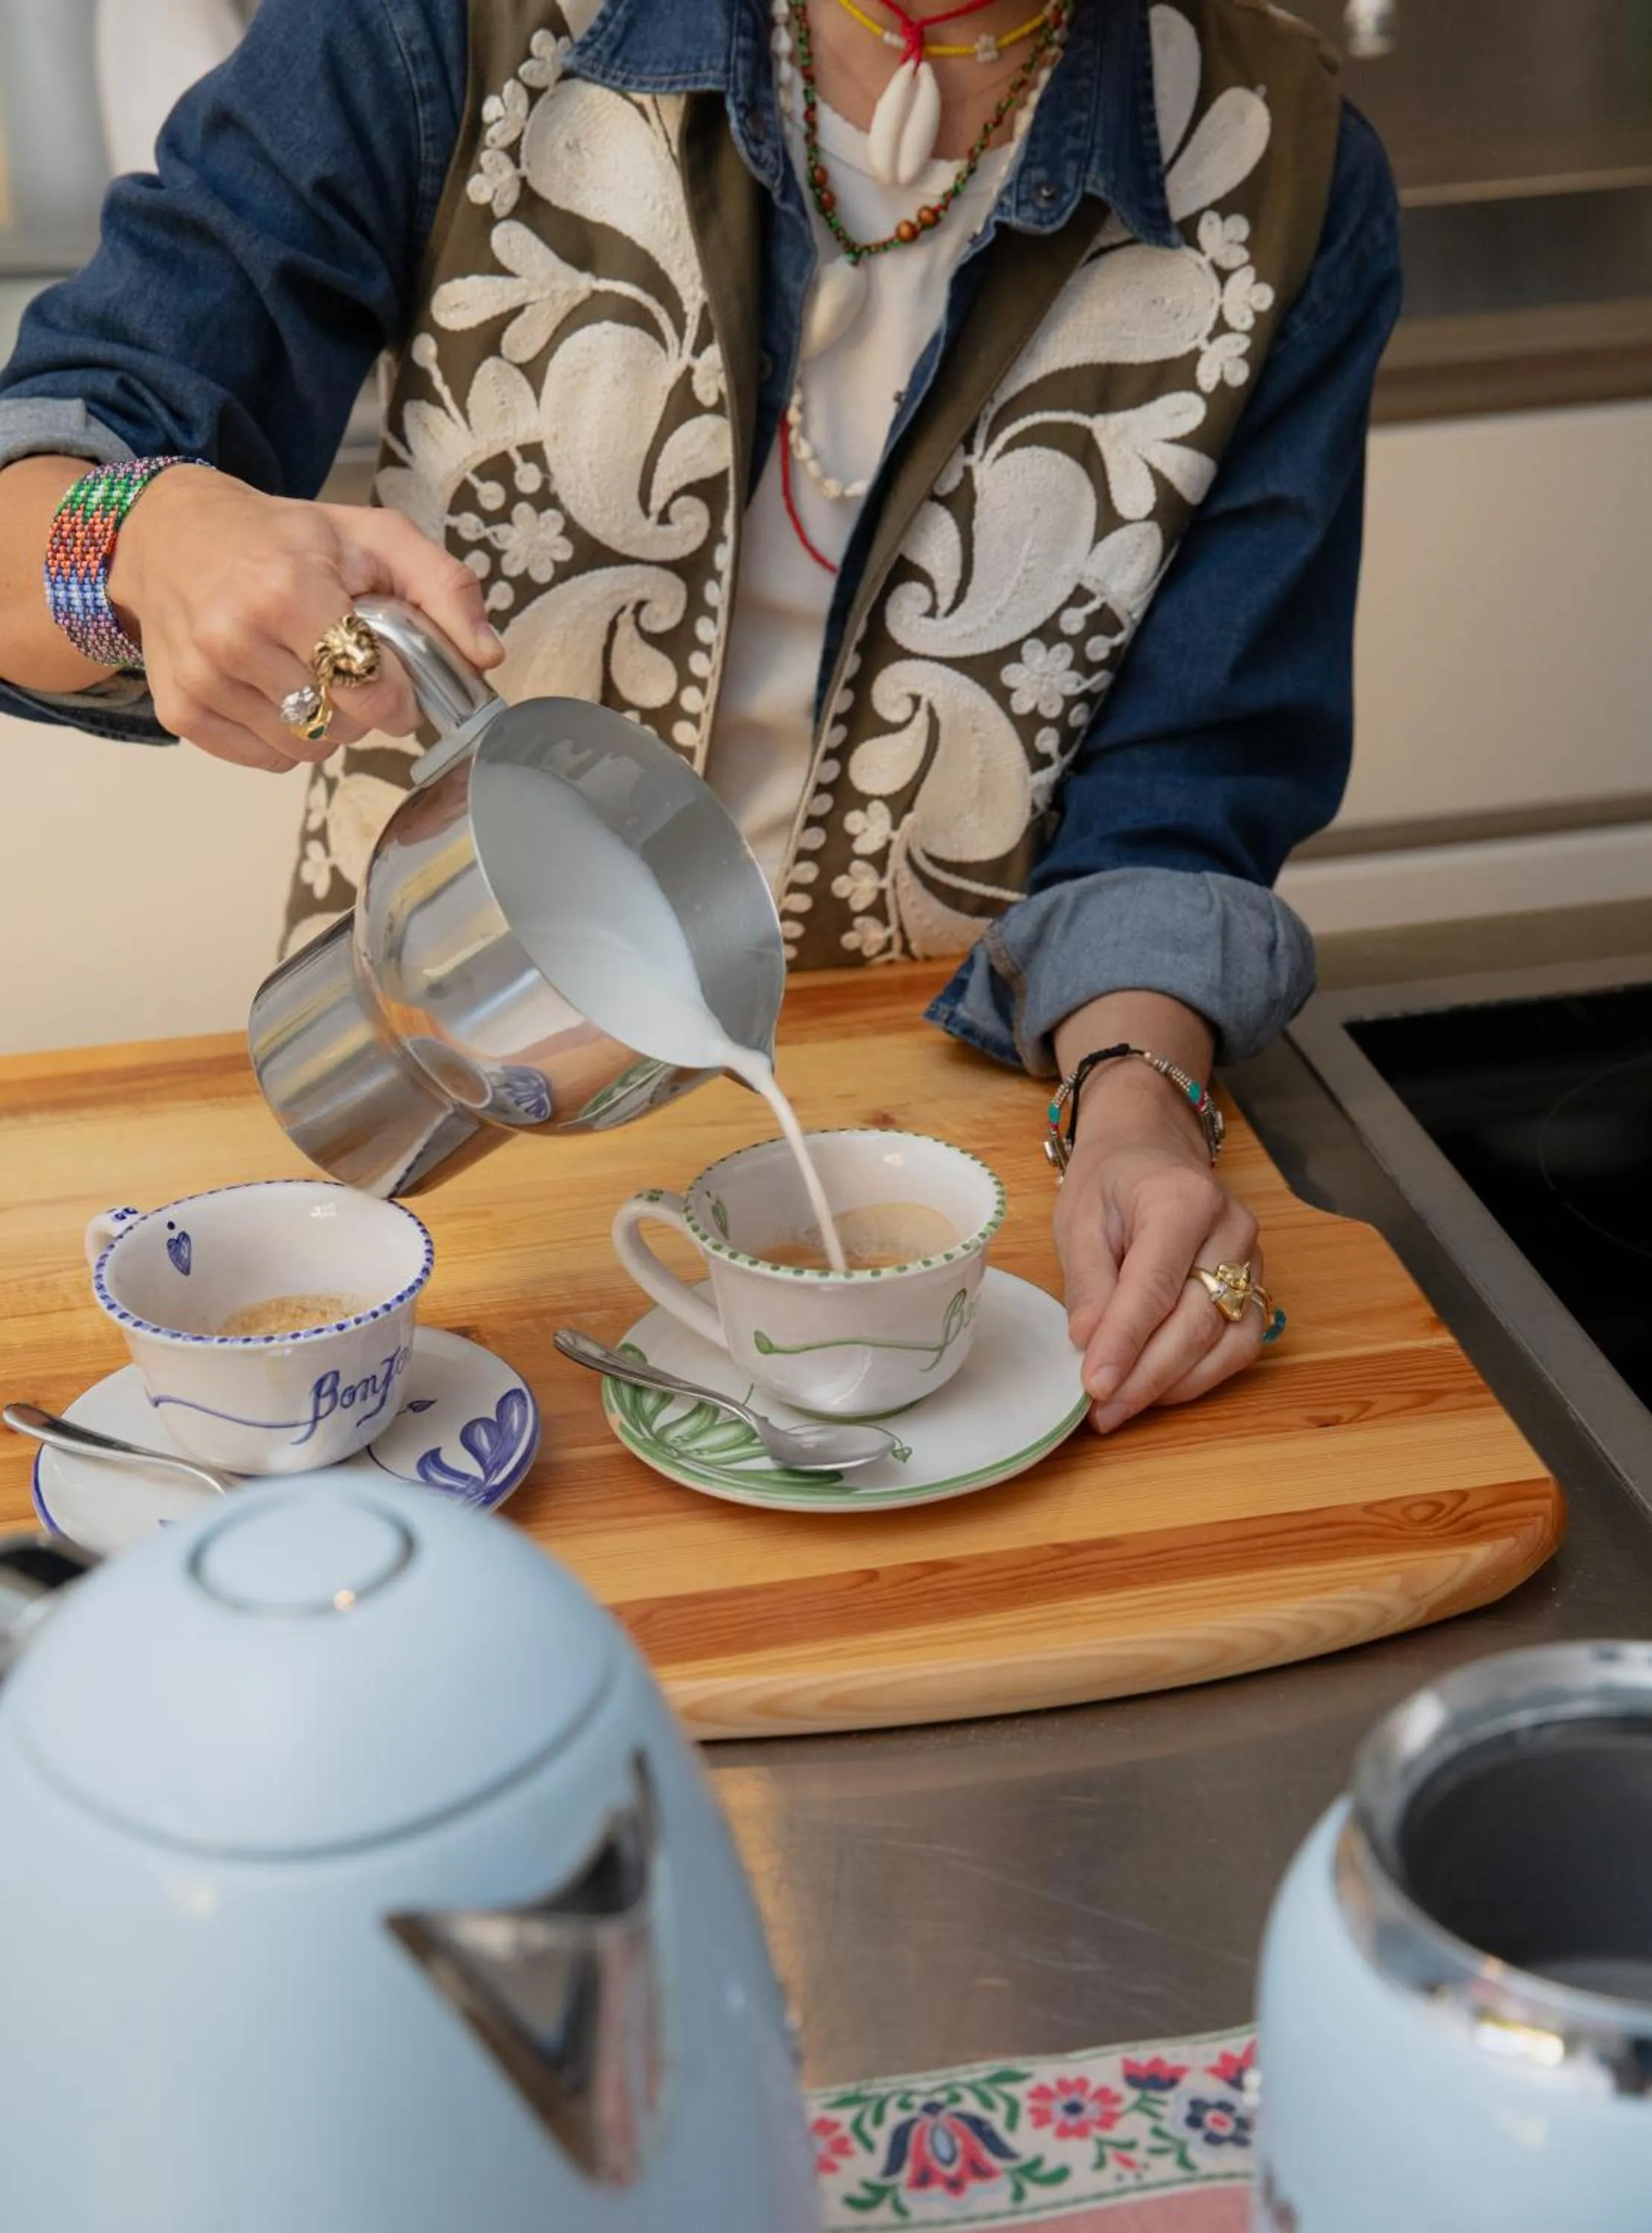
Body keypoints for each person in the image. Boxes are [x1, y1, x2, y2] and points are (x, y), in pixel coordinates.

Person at [0, 0, 1400, 1435]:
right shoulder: (443, 31)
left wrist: (1134, 1100)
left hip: (940, 1155)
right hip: (447, 1154)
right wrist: (140, 538)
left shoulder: (1284, 172)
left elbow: (1183, 790)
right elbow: (31, 513)